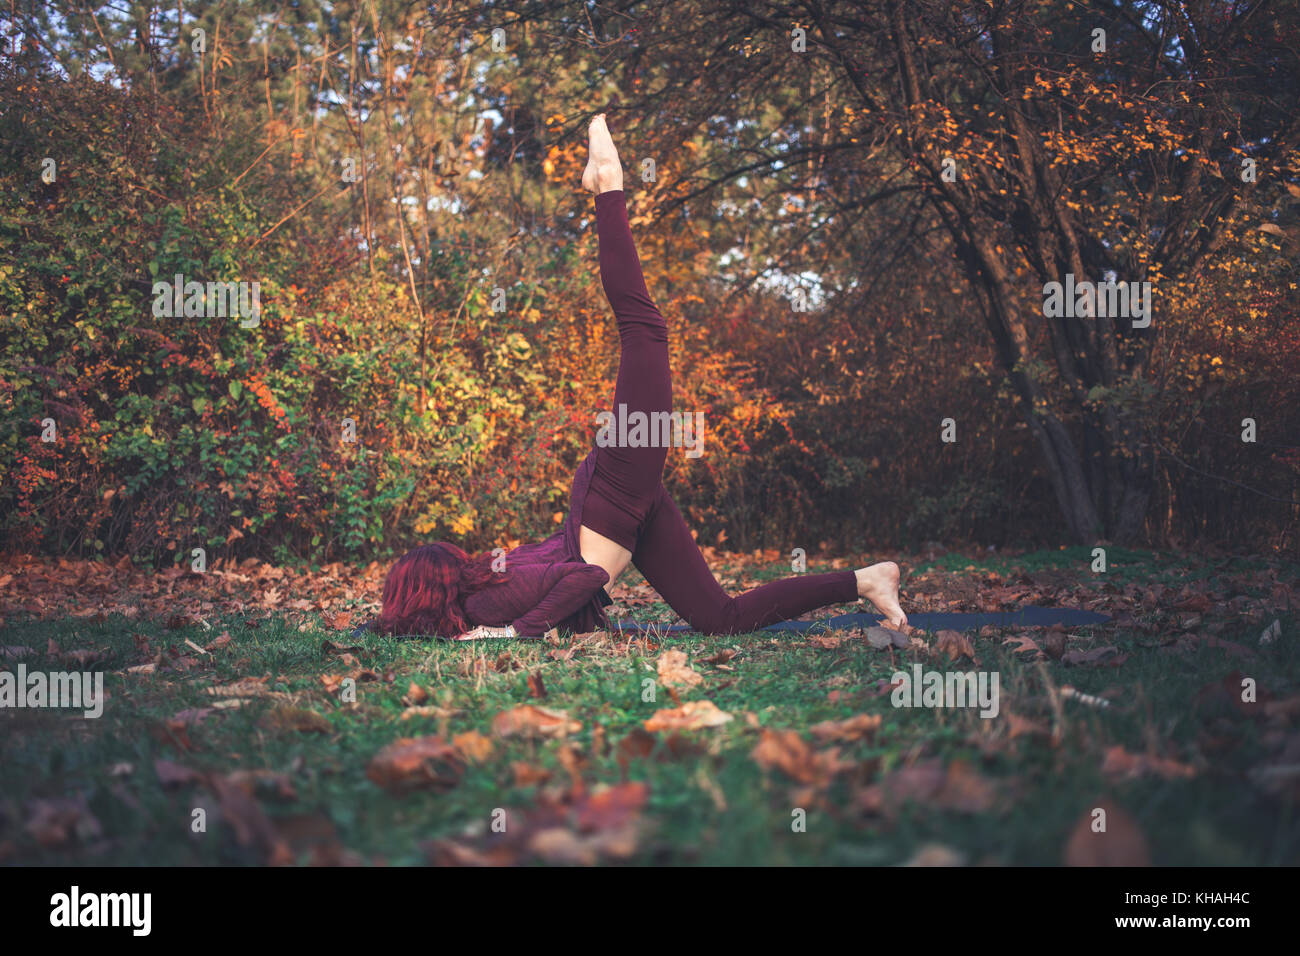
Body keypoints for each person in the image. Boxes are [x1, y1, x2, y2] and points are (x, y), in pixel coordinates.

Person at [371, 115, 906, 641]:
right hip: (624, 512)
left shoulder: (483, 602)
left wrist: (516, 632)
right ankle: (866, 580)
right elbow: (576, 574)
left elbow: (585, 576)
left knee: (645, 329)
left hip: (615, 496)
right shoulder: (482, 585)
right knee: (722, 618)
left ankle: (609, 185)